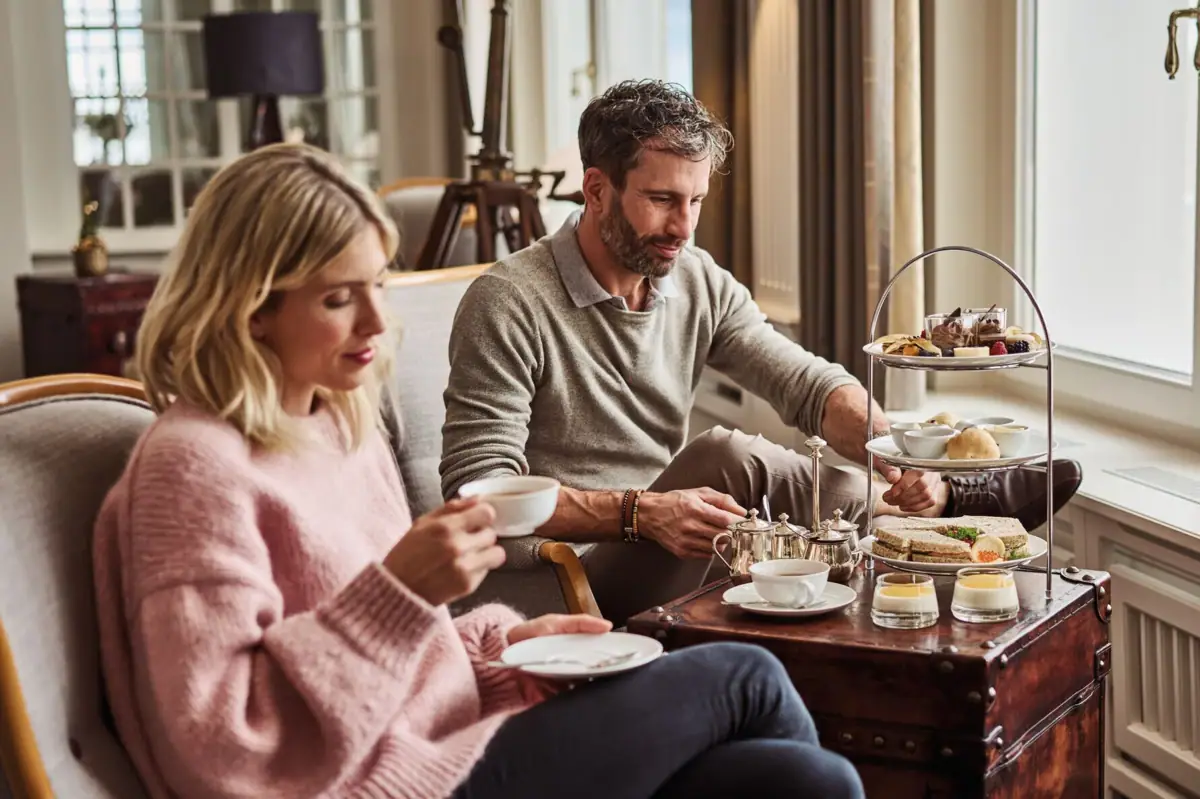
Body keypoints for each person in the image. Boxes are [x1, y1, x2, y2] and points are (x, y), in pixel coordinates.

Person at [92, 142, 864, 799]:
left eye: (379, 285)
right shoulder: (193, 469)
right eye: (338, 298)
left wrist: (507, 647)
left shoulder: (334, 421)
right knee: (745, 675)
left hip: (441, 732)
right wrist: (401, 590)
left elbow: (398, 649)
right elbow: (221, 748)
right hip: (380, 781)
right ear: (250, 306)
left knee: (808, 778)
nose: (375, 323)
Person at [439, 79, 1083, 623]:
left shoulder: (693, 278)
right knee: (727, 456)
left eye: (695, 201)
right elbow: (482, 494)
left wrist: (894, 454)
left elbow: (803, 383)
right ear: (596, 189)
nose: (682, 227)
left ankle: (942, 509)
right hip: (556, 585)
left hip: (669, 544)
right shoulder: (508, 301)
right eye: (661, 200)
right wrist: (642, 513)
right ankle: (961, 509)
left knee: (824, 554)